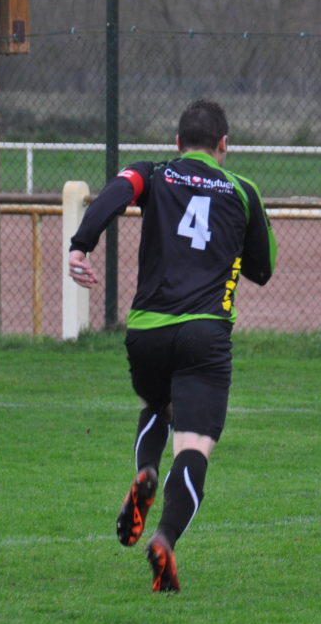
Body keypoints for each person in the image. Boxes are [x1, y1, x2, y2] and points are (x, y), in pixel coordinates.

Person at [67, 99, 276, 592]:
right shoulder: (243, 191)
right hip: (205, 333)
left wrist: (80, 246)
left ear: (177, 143)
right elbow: (262, 271)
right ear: (224, 145)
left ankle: (144, 471)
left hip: (147, 331)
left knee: (155, 403)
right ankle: (163, 538)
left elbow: (113, 196)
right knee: (195, 446)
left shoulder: (152, 173)